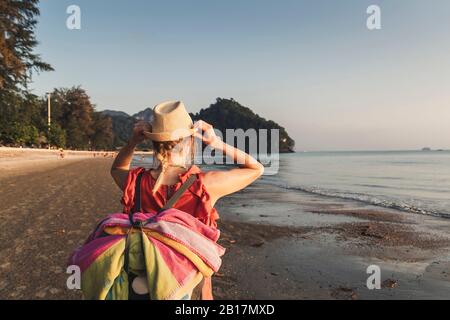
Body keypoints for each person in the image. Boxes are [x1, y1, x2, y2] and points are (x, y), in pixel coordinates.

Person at [110, 100, 264, 300]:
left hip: (143, 282)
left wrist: (132, 142)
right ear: (191, 142)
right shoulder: (204, 185)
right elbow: (256, 169)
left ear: (153, 144)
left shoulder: (137, 181)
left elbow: (117, 170)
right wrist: (217, 143)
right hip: (187, 287)